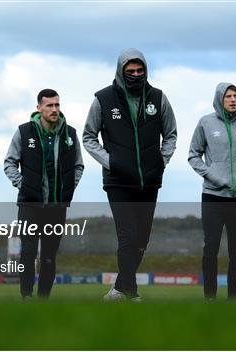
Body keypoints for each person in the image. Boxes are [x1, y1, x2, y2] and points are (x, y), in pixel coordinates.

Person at [83, 48, 177, 302]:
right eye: (130, 71)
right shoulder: (103, 99)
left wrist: (161, 161)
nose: (136, 75)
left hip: (149, 181)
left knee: (142, 239)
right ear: (121, 71)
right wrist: (110, 162)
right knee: (127, 234)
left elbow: (170, 135)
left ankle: (119, 288)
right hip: (118, 181)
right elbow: (89, 137)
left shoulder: (158, 98)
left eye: (140, 70)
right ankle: (132, 293)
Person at [4, 89, 84, 299]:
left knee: (49, 257)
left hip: (57, 207)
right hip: (29, 206)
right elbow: (9, 163)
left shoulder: (70, 134)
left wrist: (68, 188)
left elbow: (78, 166)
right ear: (39, 108)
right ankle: (27, 297)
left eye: (57, 105)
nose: (54, 109)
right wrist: (23, 185)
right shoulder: (24, 132)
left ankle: (43, 299)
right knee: (28, 254)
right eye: (49, 105)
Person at [189, 83, 236, 301]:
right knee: (210, 249)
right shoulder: (205, 122)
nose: (233, 100)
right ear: (219, 99)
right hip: (212, 196)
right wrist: (213, 175)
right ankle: (210, 298)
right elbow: (193, 155)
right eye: (228, 96)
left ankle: (233, 299)